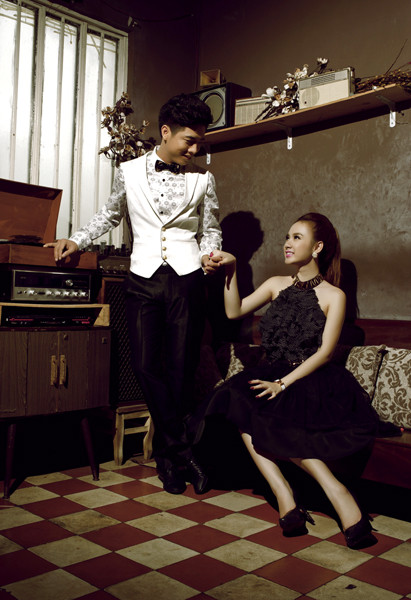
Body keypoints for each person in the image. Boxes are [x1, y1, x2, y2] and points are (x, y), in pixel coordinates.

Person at [44, 93, 223, 495]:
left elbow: (210, 229)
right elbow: (110, 214)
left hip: (187, 278)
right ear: (166, 132)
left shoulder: (203, 179)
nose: (195, 150)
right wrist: (77, 239)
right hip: (142, 278)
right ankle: (183, 451)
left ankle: (168, 461)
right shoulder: (127, 172)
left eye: (200, 143)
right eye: (189, 141)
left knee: (181, 370)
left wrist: (209, 254)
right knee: (144, 366)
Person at [192, 212, 379, 549]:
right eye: (287, 237)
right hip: (272, 372)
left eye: (297, 237)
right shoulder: (275, 284)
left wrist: (283, 384)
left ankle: (336, 491)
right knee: (236, 399)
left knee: (268, 415)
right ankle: (283, 493)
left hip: (312, 379)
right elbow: (234, 311)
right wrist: (232, 270)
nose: (287, 244)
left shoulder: (334, 296)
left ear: (317, 247)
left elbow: (325, 353)